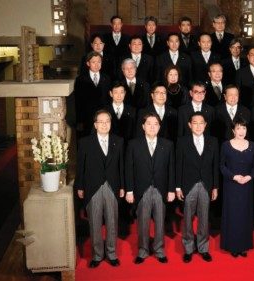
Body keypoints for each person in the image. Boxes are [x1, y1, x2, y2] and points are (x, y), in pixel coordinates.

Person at [74, 110, 124, 268]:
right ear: (95, 125)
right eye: (101, 122)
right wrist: (80, 186)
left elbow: (121, 166)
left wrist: (123, 186)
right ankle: (97, 255)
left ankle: (111, 253)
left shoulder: (119, 141)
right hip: (92, 186)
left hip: (112, 186)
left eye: (107, 121)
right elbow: (80, 167)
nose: (104, 124)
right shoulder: (85, 142)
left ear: (110, 123)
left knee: (112, 221)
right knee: (94, 222)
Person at [125, 113, 176, 264]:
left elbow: (171, 168)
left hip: (161, 189)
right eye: (149, 124)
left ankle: (159, 250)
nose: (152, 127)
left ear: (159, 127)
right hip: (142, 189)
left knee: (160, 222)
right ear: (143, 126)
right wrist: (129, 190)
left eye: (155, 124)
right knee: (143, 222)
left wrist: (171, 190)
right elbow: (129, 168)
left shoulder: (168, 145)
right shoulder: (133, 144)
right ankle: (143, 250)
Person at [176, 112, 218, 263]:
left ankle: (203, 248)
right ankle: (188, 248)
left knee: (204, 218)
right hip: (188, 185)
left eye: (201, 123)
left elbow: (215, 166)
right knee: (187, 218)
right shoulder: (182, 141)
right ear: (189, 125)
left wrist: (215, 187)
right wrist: (178, 187)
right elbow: (178, 164)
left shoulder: (213, 141)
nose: (198, 126)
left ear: (205, 125)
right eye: (195, 123)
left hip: (206, 185)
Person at [219, 117, 254, 257]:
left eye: (244, 128)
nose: (241, 131)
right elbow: (222, 166)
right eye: (238, 128)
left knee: (244, 215)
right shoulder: (225, 145)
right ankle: (232, 246)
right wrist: (234, 177)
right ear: (233, 130)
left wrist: (249, 177)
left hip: (247, 186)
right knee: (233, 215)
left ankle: (243, 246)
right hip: (231, 186)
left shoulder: (253, 145)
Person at [74, 51, 111, 139]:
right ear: (88, 63)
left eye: (99, 62)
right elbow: (78, 101)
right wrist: (79, 121)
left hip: (103, 118)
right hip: (87, 118)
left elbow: (109, 99)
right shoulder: (80, 79)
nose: (96, 64)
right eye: (93, 62)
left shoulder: (107, 78)